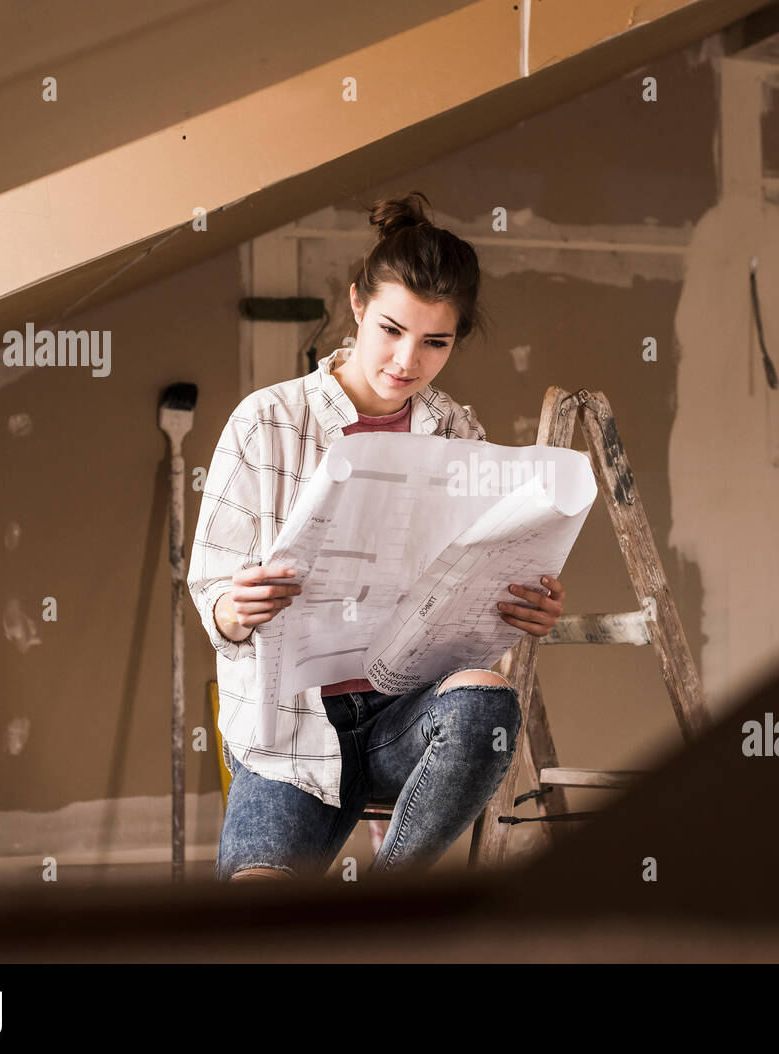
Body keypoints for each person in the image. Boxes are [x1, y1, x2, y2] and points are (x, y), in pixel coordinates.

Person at [187, 192, 567, 881]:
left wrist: (524, 607)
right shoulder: (267, 421)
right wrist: (231, 608)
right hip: (291, 735)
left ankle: (385, 923)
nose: (405, 360)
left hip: (406, 719)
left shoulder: (456, 432)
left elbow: (472, 595)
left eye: (435, 342)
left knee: (489, 701)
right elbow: (213, 588)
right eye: (391, 329)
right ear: (358, 304)